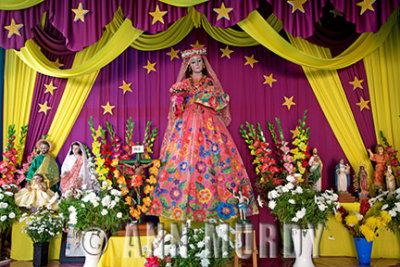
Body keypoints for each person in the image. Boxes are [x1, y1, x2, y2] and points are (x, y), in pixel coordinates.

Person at [149, 47, 258, 221]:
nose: (197, 64)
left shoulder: (209, 82)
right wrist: (177, 101)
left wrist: (206, 100)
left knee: (215, 158)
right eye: (193, 62)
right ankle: (181, 206)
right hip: (187, 124)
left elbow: (220, 101)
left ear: (203, 63)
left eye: (199, 61)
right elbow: (175, 110)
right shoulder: (183, 84)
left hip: (209, 123)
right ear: (188, 66)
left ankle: (215, 205)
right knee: (184, 159)